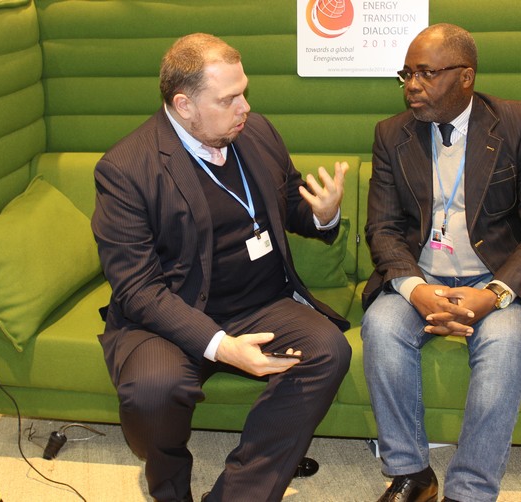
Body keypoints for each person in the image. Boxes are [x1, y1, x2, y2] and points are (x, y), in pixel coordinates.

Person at [91, 33, 352, 502]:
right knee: (152, 391)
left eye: (244, 92)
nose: (245, 107)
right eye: (229, 98)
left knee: (328, 350)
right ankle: (169, 486)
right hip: (172, 313)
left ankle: (241, 492)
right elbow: (138, 290)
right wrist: (222, 347)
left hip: (261, 304)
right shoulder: (127, 170)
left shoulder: (257, 133)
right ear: (184, 105)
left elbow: (288, 201)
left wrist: (322, 214)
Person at [361, 23, 521, 502]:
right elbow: (384, 229)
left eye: (426, 73)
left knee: (502, 344)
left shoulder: (516, 123)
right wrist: (416, 289)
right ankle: (412, 472)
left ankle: (470, 491)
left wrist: (493, 294)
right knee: (381, 328)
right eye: (406, 74)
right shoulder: (391, 134)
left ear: (466, 76)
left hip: (499, 276)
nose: (412, 86)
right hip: (422, 273)